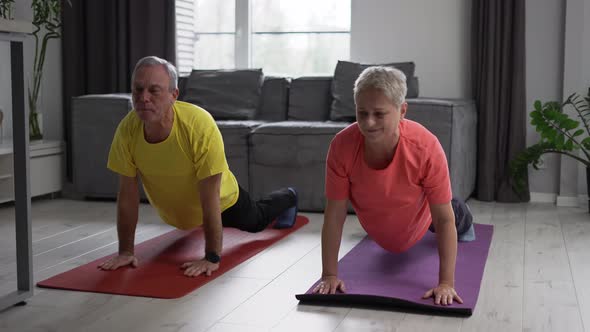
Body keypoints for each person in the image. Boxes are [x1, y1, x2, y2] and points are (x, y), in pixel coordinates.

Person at [98, 56, 298, 277]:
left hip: (223, 202)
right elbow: (127, 195)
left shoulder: (198, 125)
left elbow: (210, 195)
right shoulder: (127, 130)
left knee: (257, 221)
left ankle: (288, 197)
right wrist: (125, 251)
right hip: (180, 214)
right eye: (138, 90)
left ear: (174, 95)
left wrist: (212, 257)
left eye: (154, 91)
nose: (144, 98)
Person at [313, 66, 474, 306]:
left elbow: (443, 220)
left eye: (379, 114)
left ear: (402, 111)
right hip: (389, 215)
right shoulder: (341, 146)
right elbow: (334, 214)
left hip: (425, 214)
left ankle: (463, 214)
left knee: (450, 211)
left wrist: (446, 283)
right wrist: (329, 275)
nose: (368, 122)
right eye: (362, 112)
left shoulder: (426, 148)